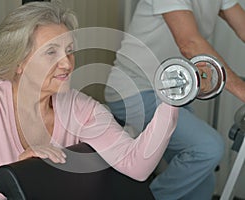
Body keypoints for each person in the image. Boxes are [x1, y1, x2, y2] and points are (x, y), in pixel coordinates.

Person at [0, 2, 179, 199]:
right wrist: (14, 180)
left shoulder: (80, 107)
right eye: (51, 52)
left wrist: (171, 99)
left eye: (69, 50)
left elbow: (136, 164)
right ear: (19, 62)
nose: (67, 63)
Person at [104, 0, 245, 199]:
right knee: (207, 148)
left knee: (202, 179)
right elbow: (189, 43)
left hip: (173, 93)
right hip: (135, 90)